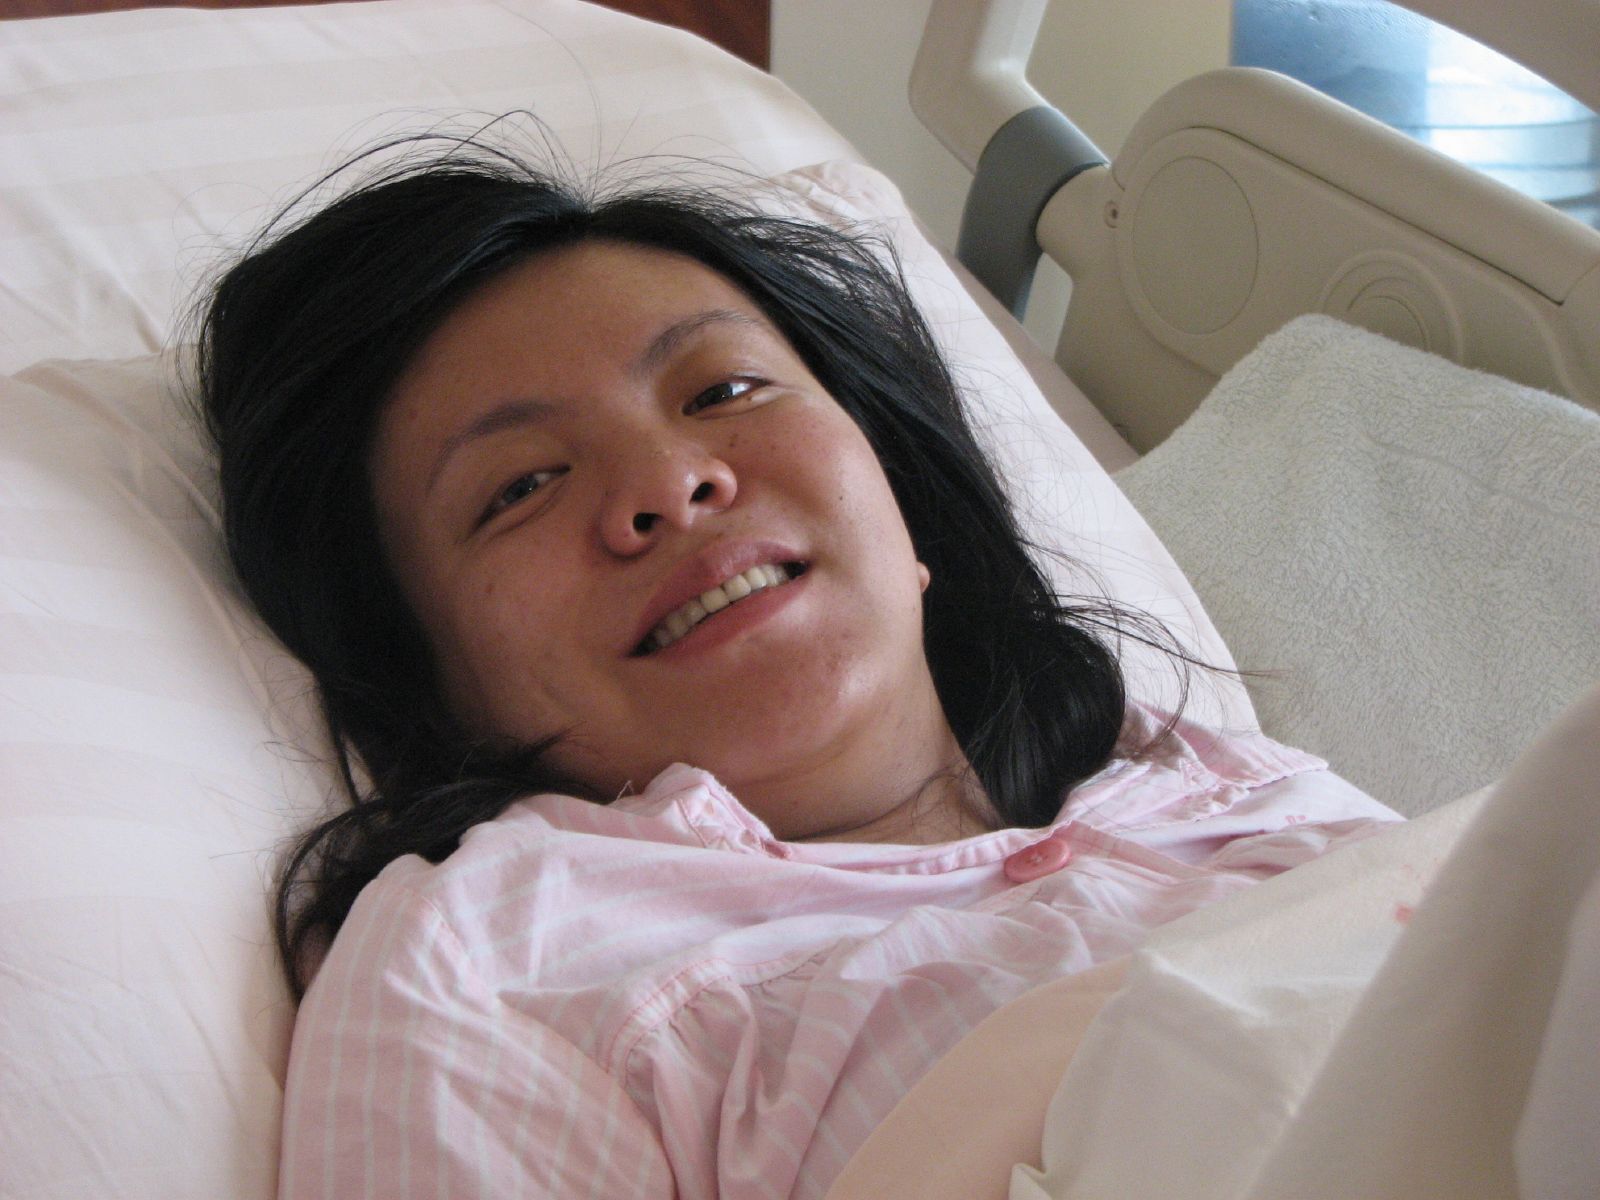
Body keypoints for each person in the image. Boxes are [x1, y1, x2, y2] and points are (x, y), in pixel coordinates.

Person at [197, 142, 1397, 1198]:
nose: (668, 486)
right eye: (520, 488)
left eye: (721, 391)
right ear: (428, 677)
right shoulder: (497, 957)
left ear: (900, 491)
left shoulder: (1210, 781)